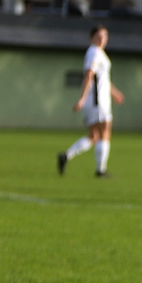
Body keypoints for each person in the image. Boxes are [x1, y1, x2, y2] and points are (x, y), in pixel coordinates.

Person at [58, 25, 124, 177]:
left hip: (95, 100)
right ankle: (100, 170)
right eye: (99, 36)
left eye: (105, 36)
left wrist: (114, 93)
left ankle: (66, 156)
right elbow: (89, 75)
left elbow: (102, 80)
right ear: (91, 38)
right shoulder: (95, 52)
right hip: (97, 101)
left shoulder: (98, 53)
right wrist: (82, 99)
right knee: (105, 132)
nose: (102, 39)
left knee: (93, 136)